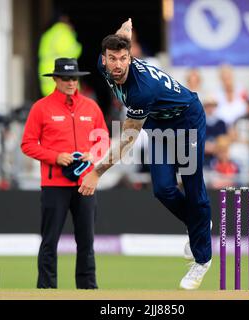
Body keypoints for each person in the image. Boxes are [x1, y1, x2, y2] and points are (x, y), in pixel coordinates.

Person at [79, 19, 212, 290]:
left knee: (193, 186)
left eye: (123, 59)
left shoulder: (142, 90)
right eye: (112, 58)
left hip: (186, 119)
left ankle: (202, 260)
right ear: (104, 58)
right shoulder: (105, 64)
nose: (117, 65)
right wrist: (125, 28)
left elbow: (128, 138)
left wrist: (96, 172)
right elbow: (120, 36)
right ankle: (199, 223)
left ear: (131, 58)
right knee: (162, 189)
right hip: (159, 123)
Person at [21, 58, 109, 289]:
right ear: (56, 79)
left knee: (86, 241)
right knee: (50, 240)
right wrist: (55, 156)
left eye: (75, 78)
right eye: (67, 78)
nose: (72, 82)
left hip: (85, 182)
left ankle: (88, 288)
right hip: (54, 184)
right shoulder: (41, 107)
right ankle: (47, 288)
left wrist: (93, 153)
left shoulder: (91, 107)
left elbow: (104, 139)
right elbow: (27, 144)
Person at [38, 14, 83, 96]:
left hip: (48, 81)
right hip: (64, 78)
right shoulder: (64, 32)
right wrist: (78, 45)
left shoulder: (48, 34)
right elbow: (72, 52)